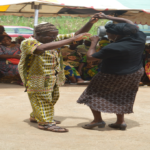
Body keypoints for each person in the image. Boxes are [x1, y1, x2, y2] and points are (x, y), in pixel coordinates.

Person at [18, 14, 99, 133]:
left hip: (53, 76)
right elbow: (40, 49)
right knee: (43, 99)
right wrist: (71, 40)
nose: (54, 38)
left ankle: (36, 116)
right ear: (38, 34)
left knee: (53, 98)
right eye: (51, 36)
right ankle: (46, 123)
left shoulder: (52, 39)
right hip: (36, 78)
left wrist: (90, 23)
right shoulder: (28, 42)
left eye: (55, 36)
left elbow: (76, 35)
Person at [77, 12, 146, 130]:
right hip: (135, 72)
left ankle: (97, 120)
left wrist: (94, 42)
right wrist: (107, 17)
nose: (107, 35)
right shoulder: (139, 37)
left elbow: (90, 57)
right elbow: (128, 23)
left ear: (116, 35)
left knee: (92, 94)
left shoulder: (114, 47)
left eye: (108, 34)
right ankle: (120, 122)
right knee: (123, 94)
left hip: (112, 74)